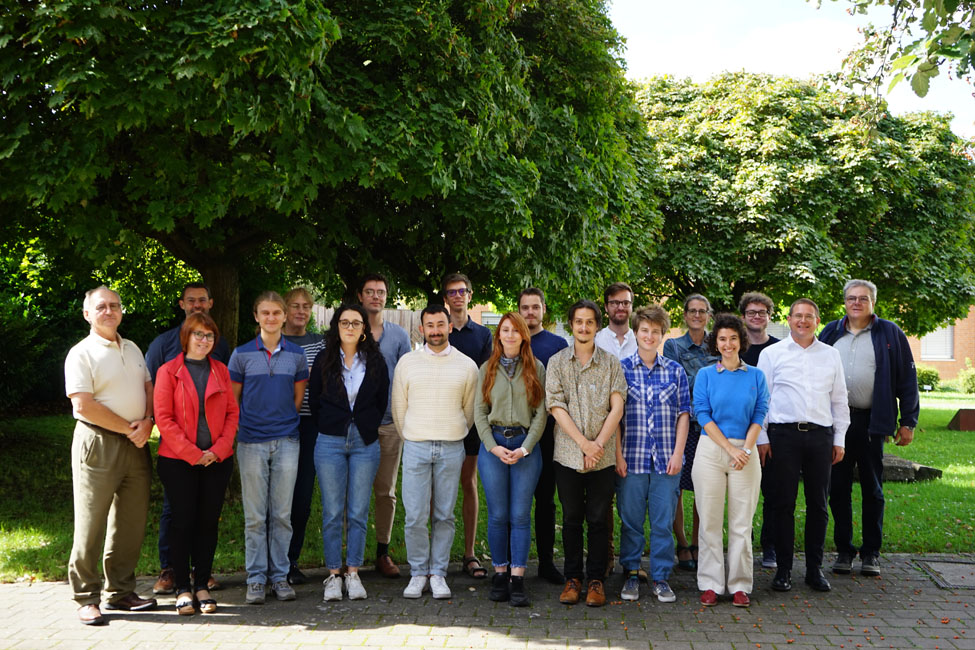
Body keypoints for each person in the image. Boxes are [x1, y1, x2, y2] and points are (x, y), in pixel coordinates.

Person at [64, 286, 157, 625]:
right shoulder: (81, 353)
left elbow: (148, 387)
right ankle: (86, 597)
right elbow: (82, 404)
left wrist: (147, 422)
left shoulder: (132, 348)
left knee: (130, 522)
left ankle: (120, 592)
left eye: (114, 305)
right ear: (87, 314)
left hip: (137, 442)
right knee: (91, 522)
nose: (109, 311)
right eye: (101, 306)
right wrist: (128, 428)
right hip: (98, 442)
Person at [819, 280, 919, 578]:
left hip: (871, 422)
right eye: (851, 298)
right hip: (835, 422)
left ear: (873, 302)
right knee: (837, 487)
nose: (857, 303)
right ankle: (844, 550)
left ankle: (871, 552)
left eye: (863, 298)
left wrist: (908, 421)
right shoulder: (830, 332)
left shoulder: (890, 333)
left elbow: (907, 379)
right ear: (845, 302)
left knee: (872, 488)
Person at [757, 298, 849, 593]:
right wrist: (762, 437)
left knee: (819, 505)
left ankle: (814, 569)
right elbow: (762, 400)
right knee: (782, 504)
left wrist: (839, 439)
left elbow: (839, 400)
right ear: (788, 319)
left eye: (809, 316)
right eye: (797, 316)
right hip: (783, 436)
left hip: (820, 437)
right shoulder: (772, 354)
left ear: (817, 320)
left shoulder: (831, 355)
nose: (803, 321)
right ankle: (783, 570)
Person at [146, 282, 230, 596]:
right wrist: (192, 452)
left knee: (208, 523)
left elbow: (232, 413)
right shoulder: (168, 369)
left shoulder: (221, 368)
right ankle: (181, 585)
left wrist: (219, 450)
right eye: (198, 335)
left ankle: (202, 582)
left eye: (208, 335)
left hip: (216, 460)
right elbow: (162, 416)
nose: (204, 340)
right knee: (181, 521)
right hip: (178, 460)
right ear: (186, 336)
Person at [392, 304, 478, 600]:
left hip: (452, 446)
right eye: (430, 326)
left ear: (449, 326)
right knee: (415, 515)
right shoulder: (407, 363)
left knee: (444, 514)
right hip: (415, 445)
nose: (436, 331)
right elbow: (399, 408)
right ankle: (417, 572)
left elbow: (469, 411)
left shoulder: (467, 365)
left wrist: (450, 430)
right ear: (422, 330)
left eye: (441, 324)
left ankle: (438, 573)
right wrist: (414, 434)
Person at [228, 291, 309, 605]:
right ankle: (256, 579)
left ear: (285, 316)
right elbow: (233, 401)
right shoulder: (242, 354)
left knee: (282, 515)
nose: (272, 318)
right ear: (256, 316)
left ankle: (280, 576)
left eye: (277, 313)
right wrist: (247, 427)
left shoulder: (296, 356)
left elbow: (297, 399)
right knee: (255, 517)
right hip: (251, 442)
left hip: (287, 441)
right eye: (266, 313)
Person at [547, 299, 627, 608]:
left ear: (597, 325)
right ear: (571, 325)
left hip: (602, 456)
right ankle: (573, 578)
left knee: (598, 520)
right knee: (571, 518)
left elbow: (617, 405)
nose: (583, 327)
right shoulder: (557, 362)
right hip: (568, 454)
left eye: (589, 322)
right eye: (578, 321)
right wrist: (583, 444)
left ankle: (595, 580)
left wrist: (598, 445)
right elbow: (556, 406)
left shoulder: (610, 362)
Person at [310, 305, 389, 601]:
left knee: (357, 511)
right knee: (332, 512)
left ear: (364, 329)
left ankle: (353, 573)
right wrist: (333, 423)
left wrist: (365, 424)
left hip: (365, 441)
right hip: (330, 440)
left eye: (356, 323)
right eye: (345, 322)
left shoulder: (376, 362)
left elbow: (382, 399)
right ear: (336, 326)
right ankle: (333, 575)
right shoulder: (324, 359)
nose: (350, 327)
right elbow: (315, 399)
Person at [692, 314, 770, 607]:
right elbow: (702, 413)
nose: (727, 344)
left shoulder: (756, 376)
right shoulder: (706, 375)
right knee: (709, 521)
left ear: (741, 341)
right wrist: (728, 448)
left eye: (733, 338)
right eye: (722, 339)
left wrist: (746, 450)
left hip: (745, 453)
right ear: (716, 342)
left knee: (741, 523)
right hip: (711, 450)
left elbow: (759, 413)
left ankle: (739, 585)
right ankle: (711, 584)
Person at [617, 306, 690, 604]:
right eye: (644, 330)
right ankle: (632, 574)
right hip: (630, 458)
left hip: (666, 460)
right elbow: (615, 416)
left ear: (662, 335)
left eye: (655, 332)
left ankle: (660, 577)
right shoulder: (620, 369)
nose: (650, 336)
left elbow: (684, 414)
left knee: (662, 522)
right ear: (636, 332)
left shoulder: (675, 370)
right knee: (631, 520)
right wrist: (618, 456)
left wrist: (678, 453)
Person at [475, 313, 547, 607]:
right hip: (493, 446)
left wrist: (525, 448)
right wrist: (493, 447)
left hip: (524, 446)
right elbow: (478, 412)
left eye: (515, 330)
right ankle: (500, 573)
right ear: (499, 336)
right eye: (504, 330)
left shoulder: (536, 368)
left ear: (523, 336)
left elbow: (542, 413)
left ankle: (518, 577)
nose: (509, 335)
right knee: (498, 515)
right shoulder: (487, 368)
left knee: (519, 515)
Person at [358, 273, 412, 578]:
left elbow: (407, 378)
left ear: (387, 297)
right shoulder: (350, 328)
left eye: (381, 292)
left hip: (391, 424)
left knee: (386, 491)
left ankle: (382, 551)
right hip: (357, 425)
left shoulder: (399, 336)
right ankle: (349, 555)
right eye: (370, 292)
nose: (375, 297)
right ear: (361, 296)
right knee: (355, 492)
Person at [442, 272, 493, 579]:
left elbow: (486, 377)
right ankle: (440, 554)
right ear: (446, 298)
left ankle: (470, 553)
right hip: (443, 418)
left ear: (470, 295)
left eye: (462, 291)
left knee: (468, 483)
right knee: (441, 488)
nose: (457, 296)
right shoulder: (438, 330)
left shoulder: (483, 335)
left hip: (472, 420)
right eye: (451, 292)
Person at [662, 294, 718, 571]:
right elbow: (675, 383)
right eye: (692, 311)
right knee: (677, 488)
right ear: (685, 315)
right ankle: (682, 543)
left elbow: (722, 382)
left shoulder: (718, 344)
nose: (697, 315)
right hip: (680, 425)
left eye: (702, 311)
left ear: (708, 314)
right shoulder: (673, 346)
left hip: (710, 428)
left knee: (702, 488)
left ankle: (698, 543)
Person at [518, 287, 568, 584]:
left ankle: (546, 562)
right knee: (517, 500)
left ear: (543, 309)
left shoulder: (557, 344)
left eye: (535, 307)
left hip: (549, 433)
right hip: (515, 433)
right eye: (525, 307)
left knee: (546, 500)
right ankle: (515, 562)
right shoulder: (511, 339)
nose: (530, 313)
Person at [282, 287, 325, 585]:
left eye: (305, 306)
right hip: (279, 425)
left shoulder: (320, 344)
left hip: (311, 426)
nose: (300, 311)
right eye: (294, 306)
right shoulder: (274, 341)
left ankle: (291, 560)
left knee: (301, 497)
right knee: (277, 498)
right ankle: (270, 562)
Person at [594, 281, 637, 578]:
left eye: (625, 302)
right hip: (601, 427)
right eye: (614, 302)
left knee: (632, 498)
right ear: (606, 307)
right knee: (603, 498)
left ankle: (631, 561)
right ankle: (606, 556)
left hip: (636, 427)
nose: (620, 307)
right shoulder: (595, 339)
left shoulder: (644, 338)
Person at [738, 291, 780, 570]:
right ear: (743, 317)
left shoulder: (779, 349)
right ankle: (745, 545)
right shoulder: (734, 348)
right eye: (751, 312)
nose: (756, 317)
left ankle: (771, 547)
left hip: (772, 430)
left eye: (761, 312)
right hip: (738, 431)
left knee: (773, 491)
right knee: (742, 493)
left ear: (769, 316)